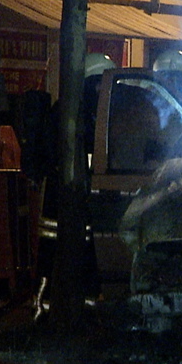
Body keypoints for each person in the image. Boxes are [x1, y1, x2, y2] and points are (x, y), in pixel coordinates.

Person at [32, 53, 116, 319]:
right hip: (63, 202)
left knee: (83, 262)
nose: (108, 91)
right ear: (93, 82)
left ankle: (81, 315)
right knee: (54, 260)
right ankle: (46, 317)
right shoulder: (75, 112)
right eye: (104, 84)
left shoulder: (78, 109)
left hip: (71, 199)